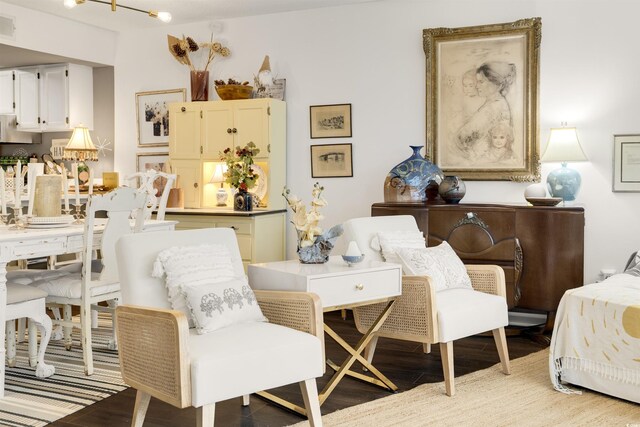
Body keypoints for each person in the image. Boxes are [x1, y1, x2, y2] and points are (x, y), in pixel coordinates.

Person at [456, 61, 516, 159]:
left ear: (496, 84)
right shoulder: (494, 102)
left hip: (483, 158)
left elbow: (464, 136)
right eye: (477, 81)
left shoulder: (494, 106)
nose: (477, 86)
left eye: (481, 82)